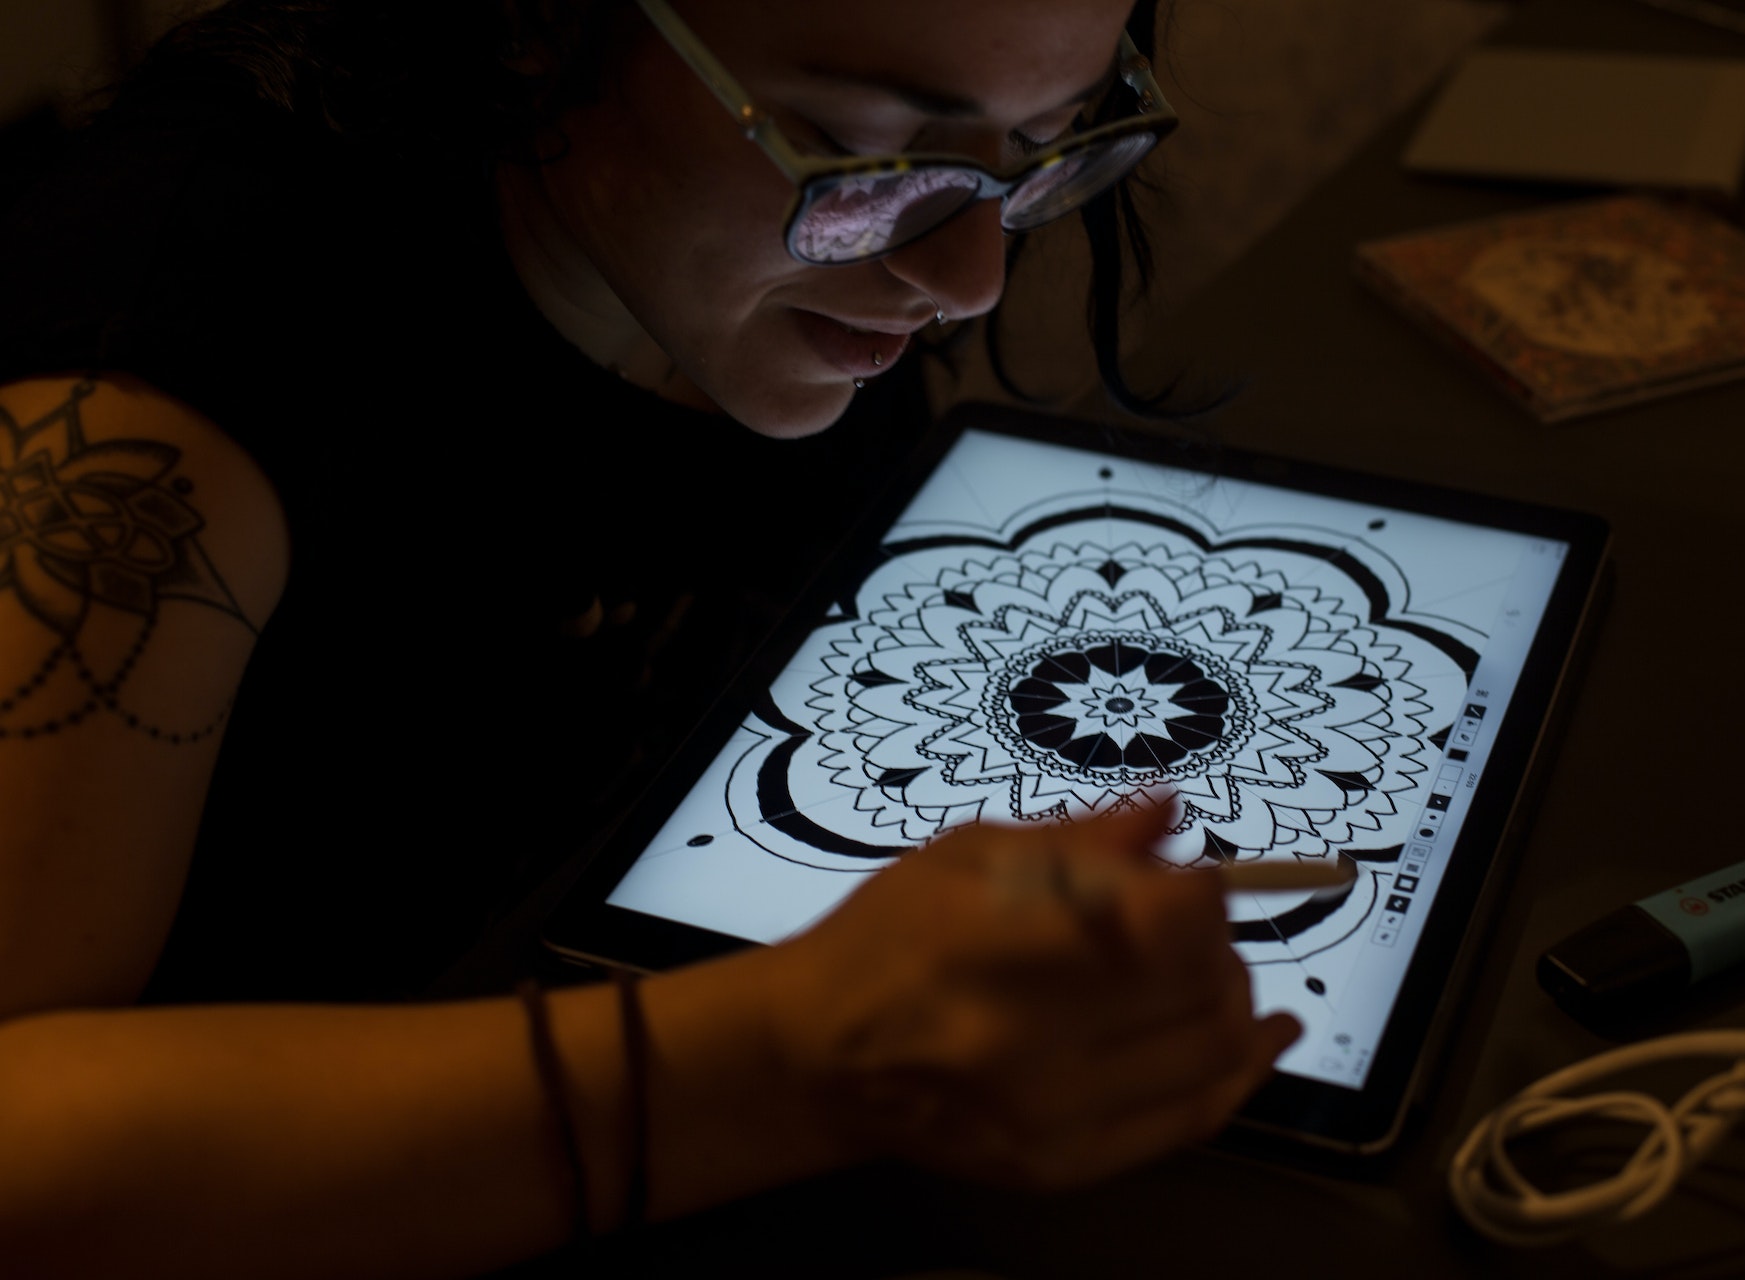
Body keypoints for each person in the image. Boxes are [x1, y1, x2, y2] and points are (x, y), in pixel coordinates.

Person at [0, 0, 1302, 1273]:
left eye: (1044, 145)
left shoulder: (772, 267)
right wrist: (784, 1053)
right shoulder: (163, 384)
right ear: (537, 23)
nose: (971, 275)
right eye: (861, 150)